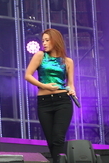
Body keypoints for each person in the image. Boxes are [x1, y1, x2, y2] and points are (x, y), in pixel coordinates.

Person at [24, 28, 76, 163]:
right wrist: (45, 86)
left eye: (47, 40)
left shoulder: (67, 61)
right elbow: (28, 75)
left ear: (56, 41)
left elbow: (70, 84)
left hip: (62, 101)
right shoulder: (40, 56)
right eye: (43, 41)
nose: (44, 43)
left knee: (58, 137)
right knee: (51, 140)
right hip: (44, 102)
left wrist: (72, 90)